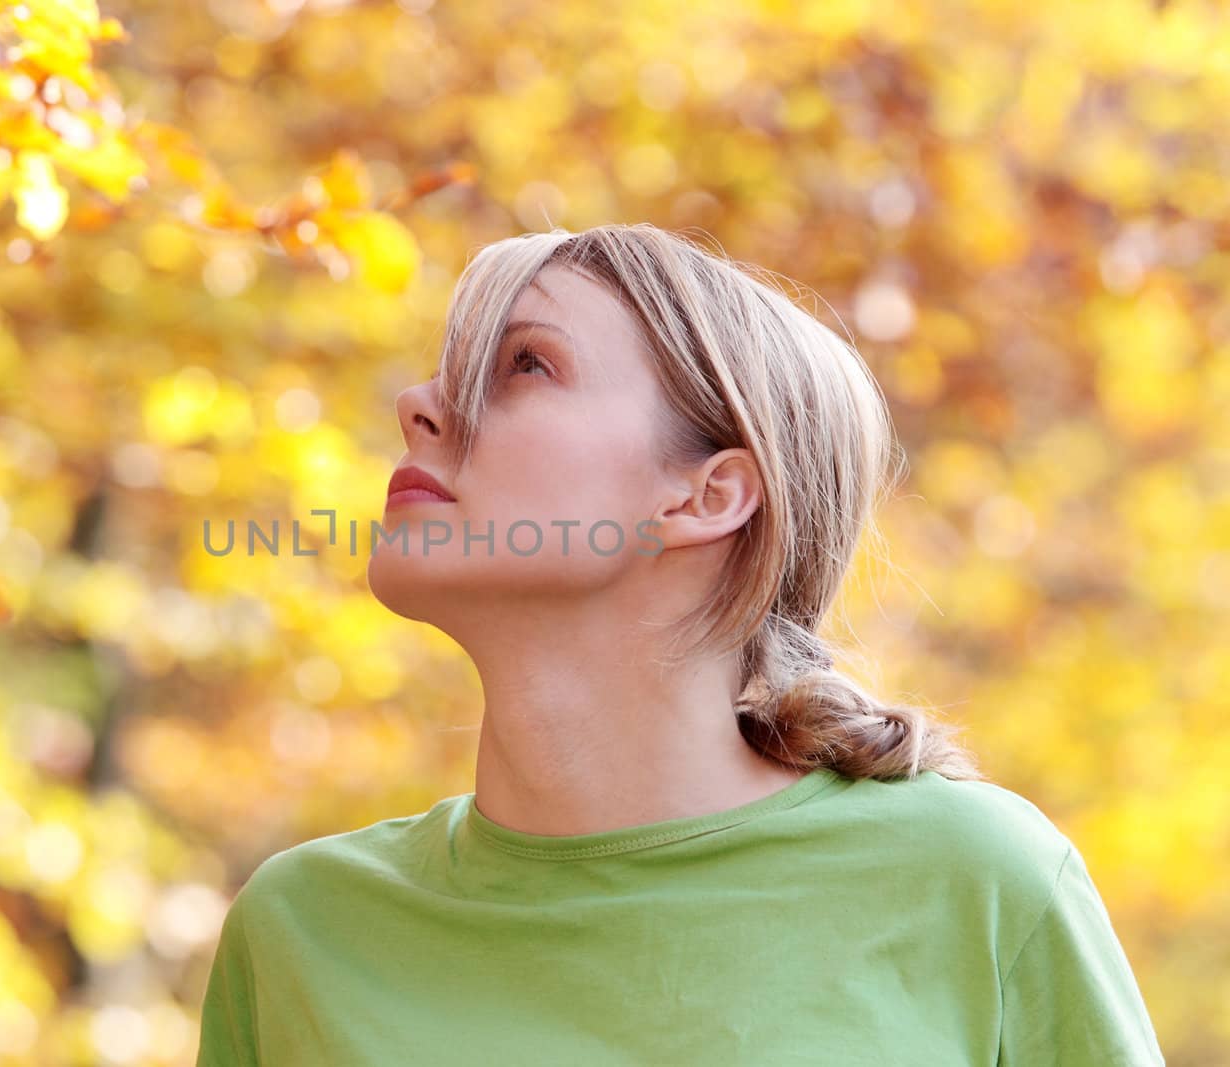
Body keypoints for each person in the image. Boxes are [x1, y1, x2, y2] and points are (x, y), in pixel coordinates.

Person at [193, 223, 1166, 1066]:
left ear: (707, 494)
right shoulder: (305, 929)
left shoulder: (976, 878)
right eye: (449, 372)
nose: (418, 404)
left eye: (525, 362)